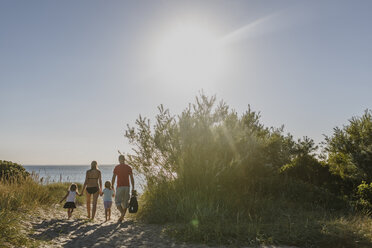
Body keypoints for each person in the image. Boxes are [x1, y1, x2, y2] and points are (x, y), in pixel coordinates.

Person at [112, 155, 135, 222]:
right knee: (125, 203)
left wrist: (112, 185)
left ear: (119, 159)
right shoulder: (128, 167)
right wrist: (133, 187)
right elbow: (131, 178)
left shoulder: (117, 167)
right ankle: (122, 217)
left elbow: (113, 177)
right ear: (124, 159)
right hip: (127, 187)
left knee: (117, 202)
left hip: (119, 186)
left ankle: (122, 214)